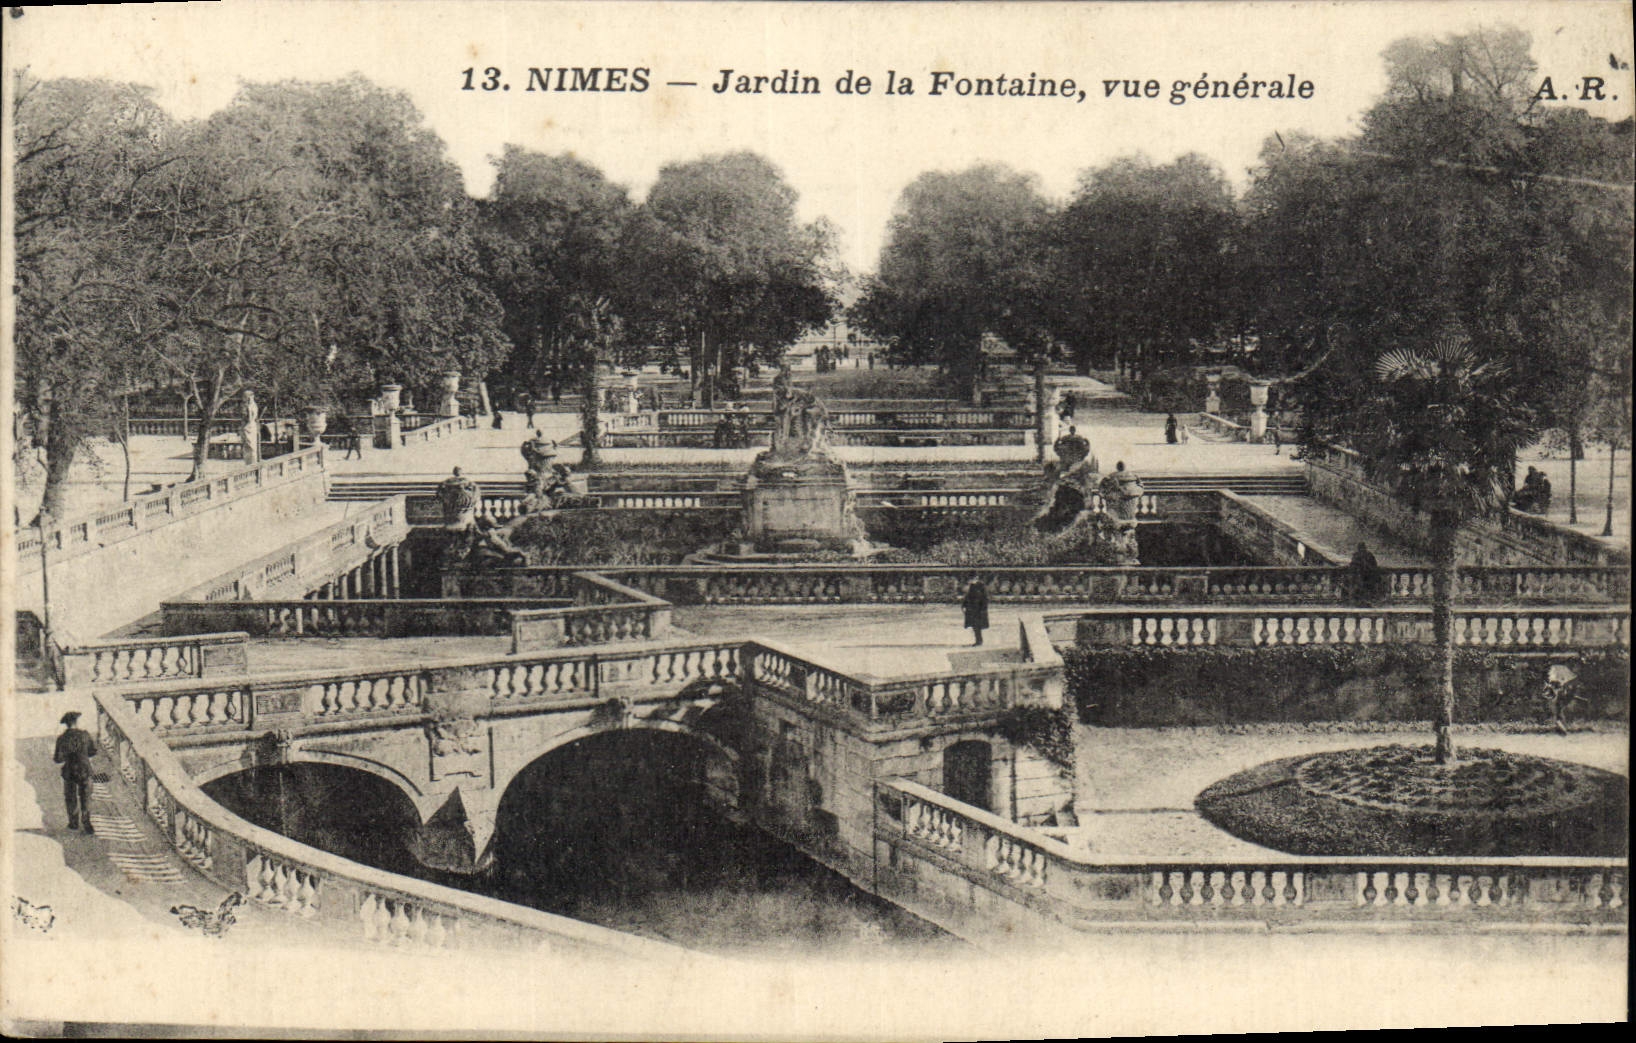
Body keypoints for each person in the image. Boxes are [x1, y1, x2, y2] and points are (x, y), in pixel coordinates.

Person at [53, 711, 97, 834]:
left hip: (70, 770)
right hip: (84, 769)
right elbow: (92, 751)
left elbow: (58, 759)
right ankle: (87, 822)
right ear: (76, 722)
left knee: (70, 796)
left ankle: (73, 822)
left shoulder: (61, 738)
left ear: (66, 724)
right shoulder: (85, 735)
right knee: (86, 797)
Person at [962, 576, 990, 647]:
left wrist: (983, 609)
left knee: (977, 626)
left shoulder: (980, 587)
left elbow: (984, 599)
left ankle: (979, 640)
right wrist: (964, 605)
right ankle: (978, 640)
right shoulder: (973, 587)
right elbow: (967, 597)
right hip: (972, 610)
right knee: (975, 626)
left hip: (978, 610)